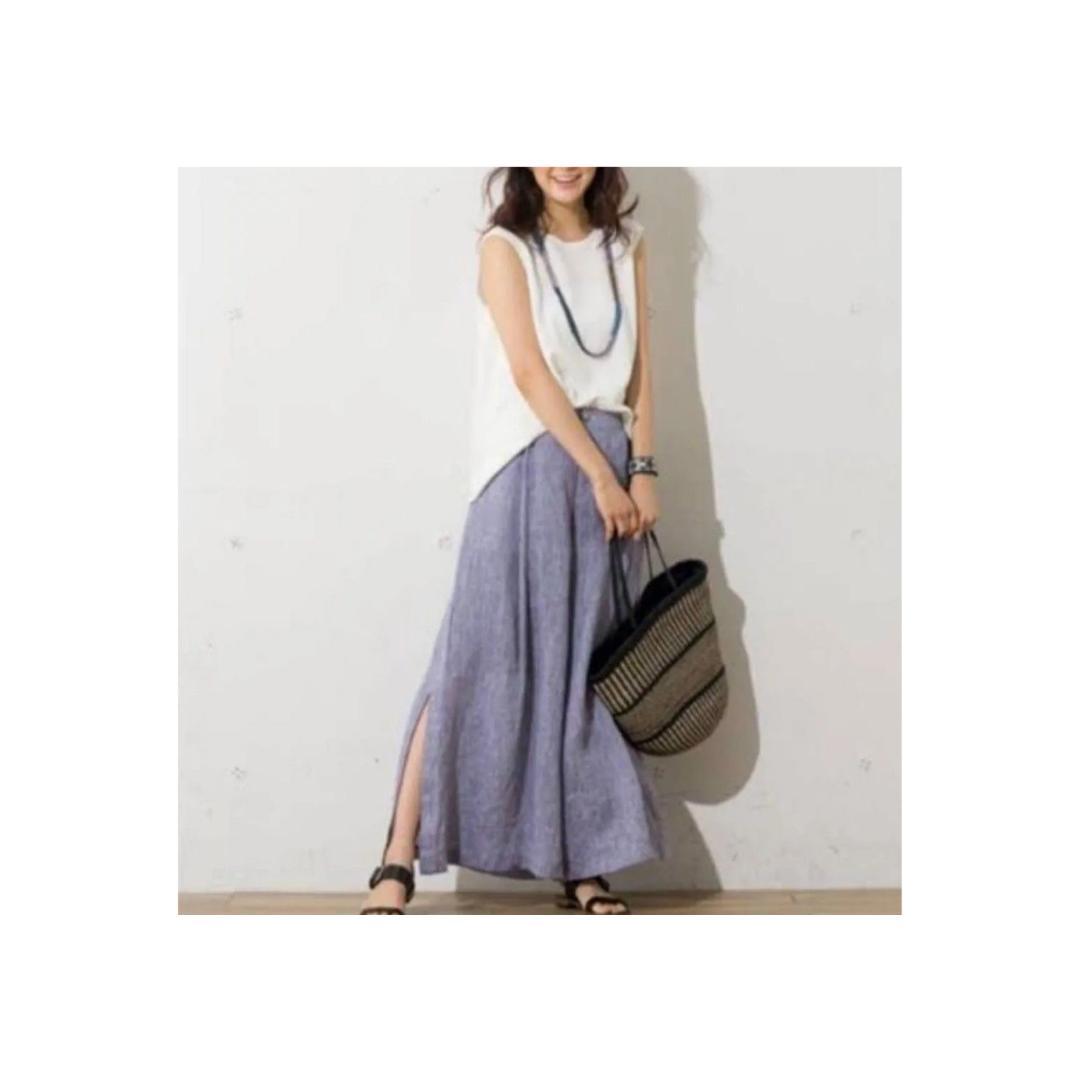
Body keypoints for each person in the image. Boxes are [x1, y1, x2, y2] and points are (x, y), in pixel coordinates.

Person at [361, 167, 665, 915]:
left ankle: (583, 862)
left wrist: (643, 469)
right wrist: (601, 475)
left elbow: (642, 372)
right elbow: (529, 373)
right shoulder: (505, 248)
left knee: (584, 671)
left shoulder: (628, 244)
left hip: (610, 471)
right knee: (469, 658)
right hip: (526, 465)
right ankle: (397, 855)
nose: (564, 162)